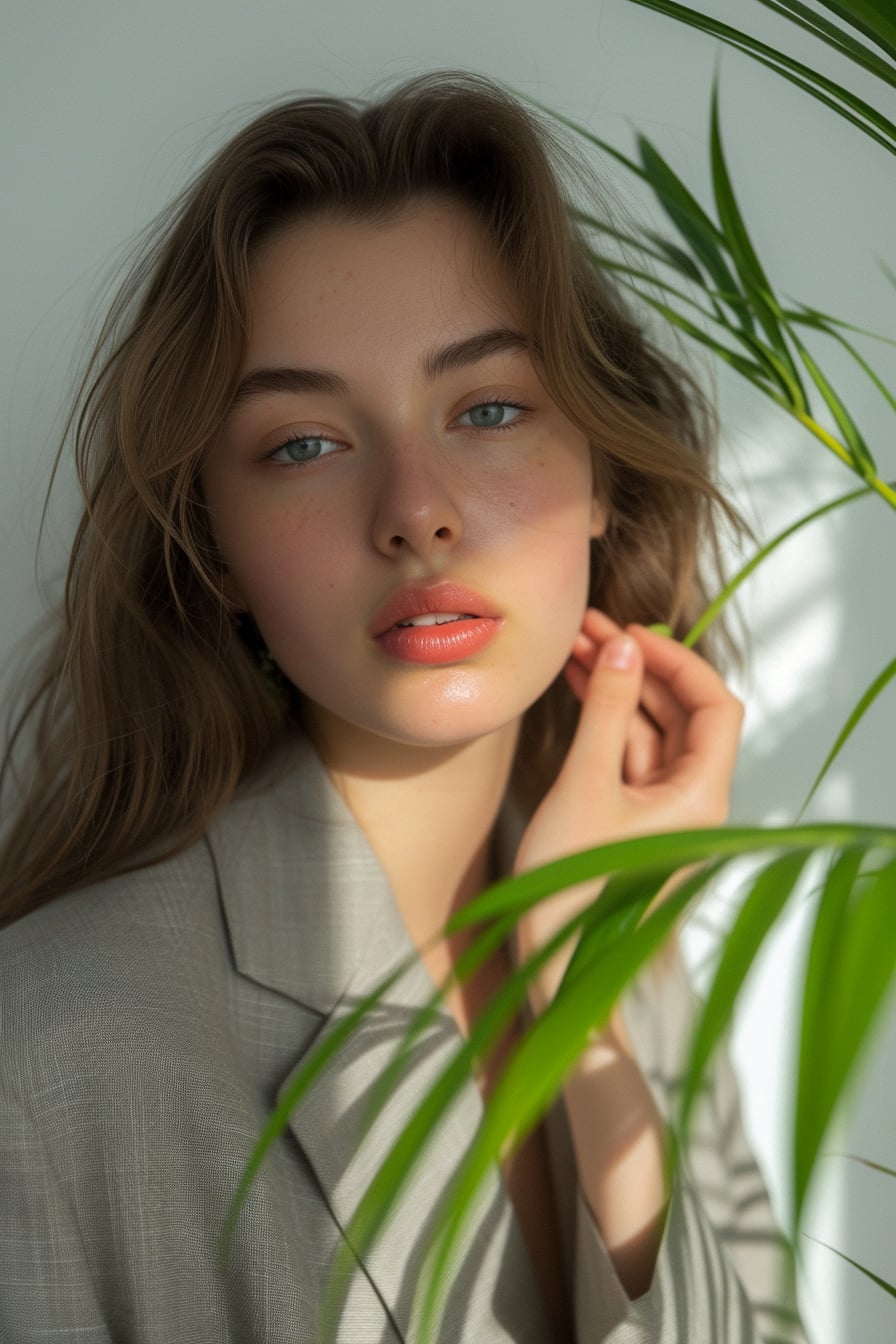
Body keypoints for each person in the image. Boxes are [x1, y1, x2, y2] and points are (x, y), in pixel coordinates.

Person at [0, 70, 806, 1343]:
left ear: (601, 473)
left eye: (488, 409)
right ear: (212, 547)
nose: (414, 507)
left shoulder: (632, 964)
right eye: (304, 443)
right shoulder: (40, 1054)